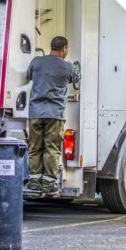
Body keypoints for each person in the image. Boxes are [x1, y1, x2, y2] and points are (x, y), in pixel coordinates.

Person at [26, 36, 81, 194]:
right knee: (52, 148)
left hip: (35, 113)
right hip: (54, 115)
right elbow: (76, 77)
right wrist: (77, 67)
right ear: (64, 48)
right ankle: (49, 183)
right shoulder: (67, 67)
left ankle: (34, 182)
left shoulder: (36, 62)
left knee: (35, 147)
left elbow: (29, 75)